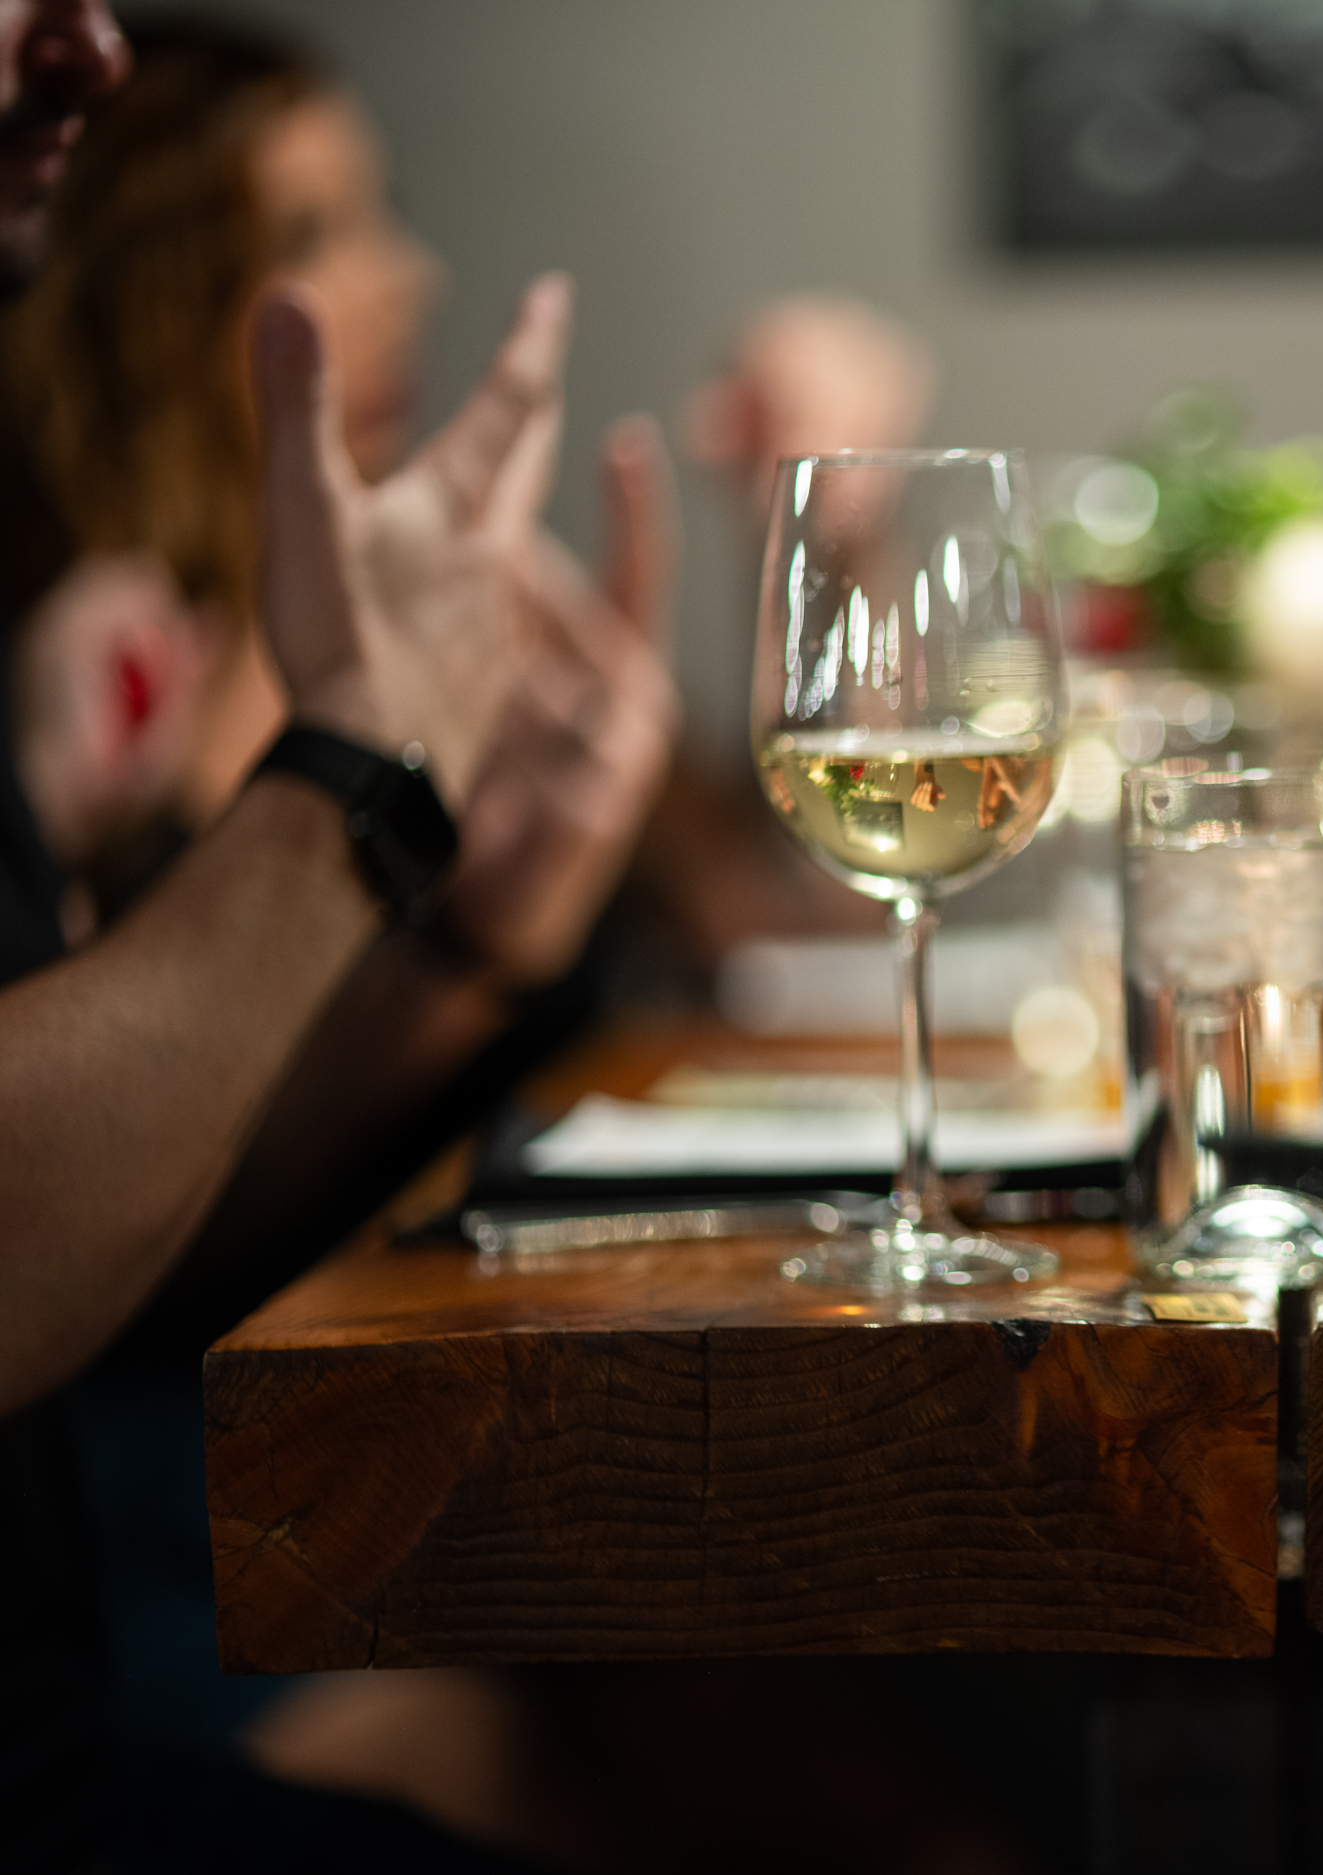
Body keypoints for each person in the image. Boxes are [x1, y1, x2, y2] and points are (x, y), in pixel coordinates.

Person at [0, 1, 677, 1866]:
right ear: (140, 279)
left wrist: (480, 941)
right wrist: (377, 816)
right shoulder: (88, 673)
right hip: (188, 1510)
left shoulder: (377, 612)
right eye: (305, 236)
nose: (403, 277)